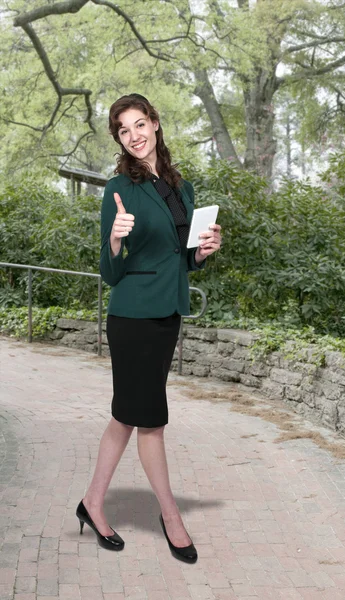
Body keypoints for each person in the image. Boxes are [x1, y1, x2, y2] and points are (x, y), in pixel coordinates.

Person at [76, 93, 222, 563]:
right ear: (119, 138)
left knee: (125, 416)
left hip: (167, 315)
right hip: (133, 317)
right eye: (124, 129)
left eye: (140, 124)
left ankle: (92, 504)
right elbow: (110, 271)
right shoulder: (119, 188)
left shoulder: (183, 187)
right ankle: (170, 516)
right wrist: (116, 239)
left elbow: (178, 260)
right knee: (151, 422)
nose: (134, 135)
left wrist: (200, 252)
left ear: (156, 124)